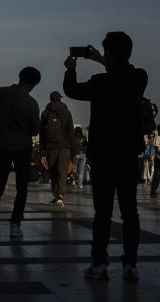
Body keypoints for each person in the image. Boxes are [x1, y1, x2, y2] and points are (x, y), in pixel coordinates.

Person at [63, 31, 148, 281]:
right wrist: (103, 59)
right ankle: (130, 265)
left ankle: (99, 264)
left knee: (103, 213)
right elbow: (124, 74)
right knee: (130, 212)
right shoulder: (139, 77)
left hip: (103, 155)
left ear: (109, 54)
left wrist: (70, 68)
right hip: (129, 152)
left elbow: (72, 90)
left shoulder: (100, 82)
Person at [0, 66, 41, 237]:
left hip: (2, 145)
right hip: (22, 146)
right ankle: (15, 225)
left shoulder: (0, 93)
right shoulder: (31, 103)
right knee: (22, 187)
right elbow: (35, 131)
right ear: (33, 84)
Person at [39, 91, 76, 207]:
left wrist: (43, 153)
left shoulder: (45, 113)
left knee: (53, 171)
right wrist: (73, 153)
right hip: (65, 146)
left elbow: (42, 134)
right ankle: (60, 195)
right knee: (62, 170)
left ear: (50, 99)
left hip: (50, 147)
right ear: (60, 99)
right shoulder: (67, 113)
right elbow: (71, 132)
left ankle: (56, 195)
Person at [151, 125, 160, 197]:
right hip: (158, 158)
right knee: (157, 174)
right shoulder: (157, 137)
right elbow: (156, 147)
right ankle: (153, 190)